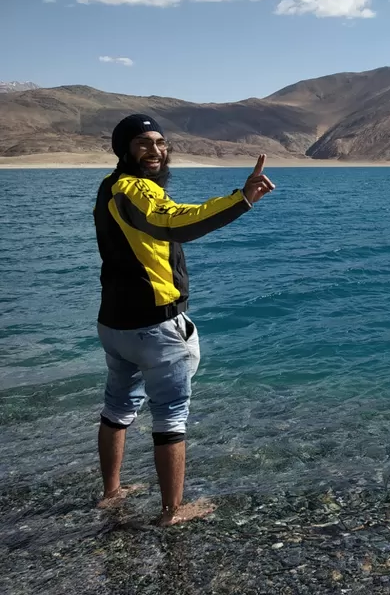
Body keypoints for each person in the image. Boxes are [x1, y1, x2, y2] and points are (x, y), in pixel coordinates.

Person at [93, 114, 275, 526]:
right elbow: (174, 221)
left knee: (117, 407)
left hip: (115, 323)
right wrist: (241, 199)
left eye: (160, 142)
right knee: (171, 416)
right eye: (143, 143)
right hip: (154, 325)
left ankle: (111, 492)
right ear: (124, 149)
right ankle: (172, 512)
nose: (156, 151)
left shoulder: (109, 187)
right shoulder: (134, 188)